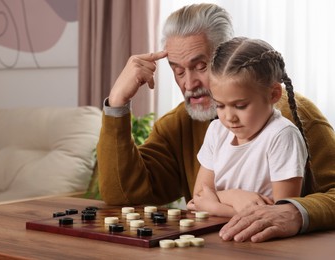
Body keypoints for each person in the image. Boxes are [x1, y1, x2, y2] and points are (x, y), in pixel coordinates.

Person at [97, 3, 335, 242]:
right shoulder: (180, 124)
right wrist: (117, 103)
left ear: (226, 59)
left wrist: (294, 212)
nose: (189, 84)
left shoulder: (294, 120)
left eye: (201, 67)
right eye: (178, 71)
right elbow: (123, 195)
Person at [187, 37, 310, 217]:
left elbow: (280, 214)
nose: (229, 117)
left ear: (274, 94)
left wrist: (214, 206)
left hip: (263, 242)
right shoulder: (216, 131)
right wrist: (235, 196)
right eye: (220, 105)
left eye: (240, 106)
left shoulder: (282, 136)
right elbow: (197, 198)